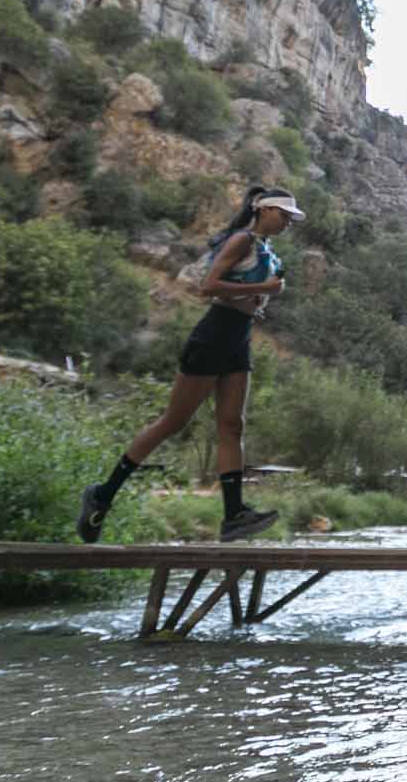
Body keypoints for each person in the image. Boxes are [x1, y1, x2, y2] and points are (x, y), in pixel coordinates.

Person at [75, 184, 301, 544]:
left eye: (293, 218)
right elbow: (208, 286)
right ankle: (101, 495)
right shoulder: (241, 240)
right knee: (173, 421)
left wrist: (261, 294)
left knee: (232, 425)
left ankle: (233, 516)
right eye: (285, 214)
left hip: (238, 338)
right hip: (214, 333)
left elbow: (248, 291)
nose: (290, 222)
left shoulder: (264, 250)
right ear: (265, 210)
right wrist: (264, 291)